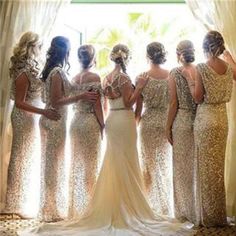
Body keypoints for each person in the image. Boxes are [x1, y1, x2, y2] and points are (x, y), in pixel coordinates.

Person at [20, 44, 194, 236]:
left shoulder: (106, 78)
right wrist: (140, 88)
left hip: (112, 119)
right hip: (124, 121)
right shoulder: (125, 78)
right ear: (126, 58)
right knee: (126, 163)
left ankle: (115, 205)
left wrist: (104, 124)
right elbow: (128, 102)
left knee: (114, 164)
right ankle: (127, 208)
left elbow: (104, 104)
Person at [39, 36, 98, 222]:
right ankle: (50, 209)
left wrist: (83, 86)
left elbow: (61, 93)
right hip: (55, 121)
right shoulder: (57, 72)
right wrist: (81, 95)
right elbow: (56, 101)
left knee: (54, 165)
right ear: (65, 50)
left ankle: (53, 206)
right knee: (52, 166)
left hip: (58, 121)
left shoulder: (58, 71)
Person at [4, 31, 60, 218]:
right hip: (23, 117)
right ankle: (14, 203)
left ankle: (24, 199)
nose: (41, 49)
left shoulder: (31, 67)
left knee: (28, 157)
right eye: (39, 46)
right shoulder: (22, 71)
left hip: (32, 115)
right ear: (31, 47)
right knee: (20, 157)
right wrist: (44, 112)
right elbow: (19, 101)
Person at [183, 31, 235, 227]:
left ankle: (207, 217)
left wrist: (190, 82)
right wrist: (230, 58)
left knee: (205, 169)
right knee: (218, 168)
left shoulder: (202, 68)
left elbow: (197, 98)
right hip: (222, 120)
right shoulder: (229, 68)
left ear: (205, 47)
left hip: (205, 119)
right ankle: (218, 215)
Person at [135, 42, 172, 216]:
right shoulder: (171, 75)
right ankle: (164, 207)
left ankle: (148, 207)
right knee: (163, 165)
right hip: (165, 121)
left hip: (148, 122)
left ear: (147, 56)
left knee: (148, 167)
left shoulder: (142, 76)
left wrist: (134, 125)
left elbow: (138, 108)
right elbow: (174, 103)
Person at [68, 44, 104, 218]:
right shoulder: (95, 77)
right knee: (91, 166)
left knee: (77, 165)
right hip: (90, 122)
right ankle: (91, 208)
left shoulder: (74, 78)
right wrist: (103, 125)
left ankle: (77, 209)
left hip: (75, 123)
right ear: (93, 57)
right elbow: (97, 105)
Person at [166, 40, 198, 224]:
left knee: (182, 169)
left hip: (182, 121)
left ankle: (184, 212)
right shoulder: (200, 70)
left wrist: (167, 126)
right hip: (198, 120)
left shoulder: (175, 72)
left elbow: (173, 103)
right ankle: (196, 210)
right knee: (195, 168)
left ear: (178, 54)